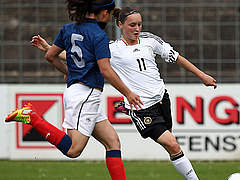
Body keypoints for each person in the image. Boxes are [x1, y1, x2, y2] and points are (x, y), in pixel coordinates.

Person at [30, 7, 217, 180]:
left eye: (139, 24)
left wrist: (202, 76)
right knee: (172, 144)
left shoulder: (151, 41)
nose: (137, 29)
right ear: (120, 25)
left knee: (120, 143)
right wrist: (50, 48)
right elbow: (79, 56)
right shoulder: (112, 49)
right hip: (141, 107)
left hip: (162, 100)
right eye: (132, 25)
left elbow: (177, 58)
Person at [6, 2, 143, 180]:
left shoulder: (68, 29)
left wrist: (70, 72)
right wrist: (128, 93)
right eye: (109, 14)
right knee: (73, 150)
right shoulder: (98, 35)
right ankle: (31, 116)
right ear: (102, 12)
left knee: (112, 142)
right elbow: (105, 70)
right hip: (85, 95)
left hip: (80, 93)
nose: (109, 18)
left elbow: (50, 56)